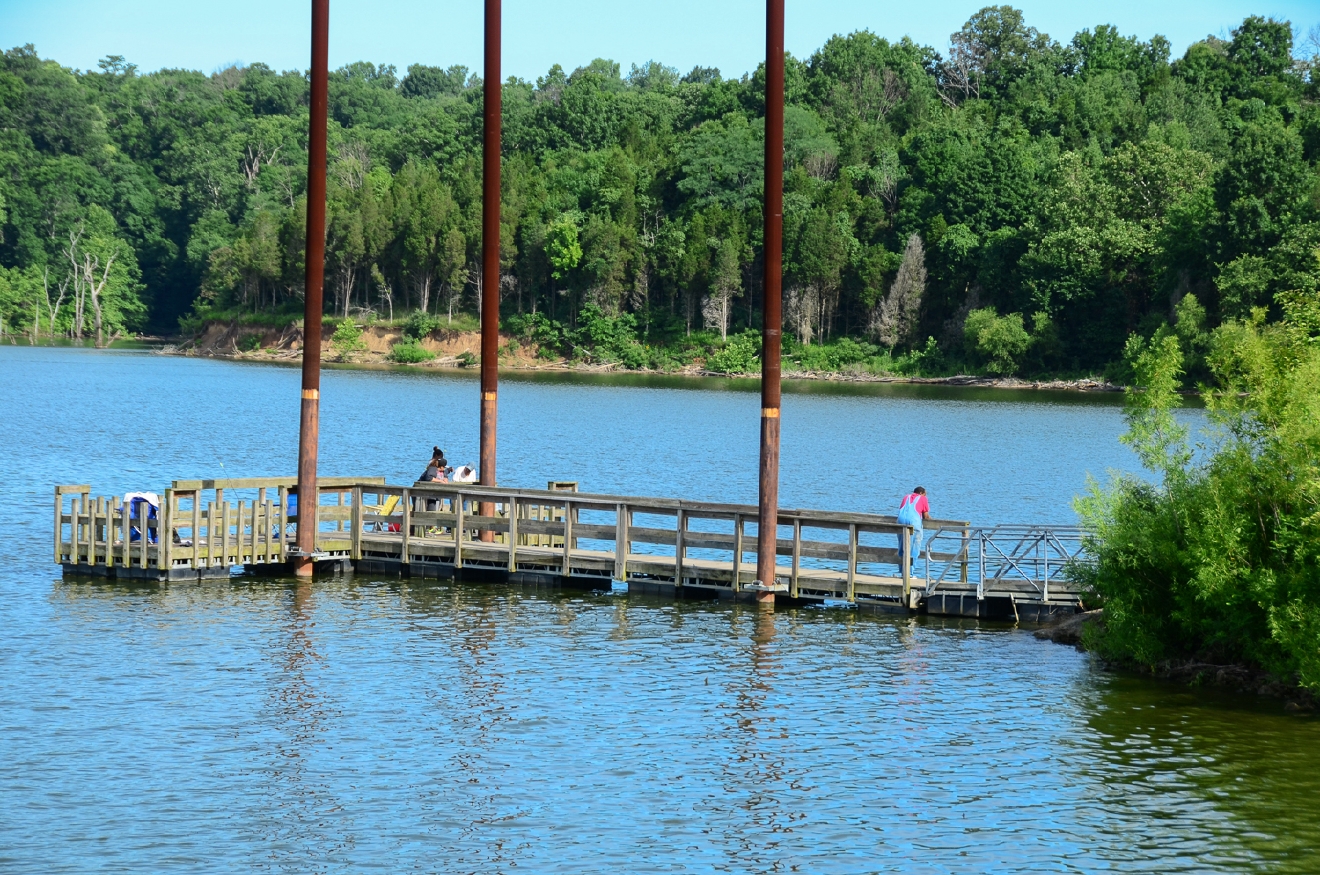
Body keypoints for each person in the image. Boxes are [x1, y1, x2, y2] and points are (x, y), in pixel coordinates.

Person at [897, 486, 930, 572]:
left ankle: (901, 572)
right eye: (925, 494)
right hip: (913, 522)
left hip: (900, 521)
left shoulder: (906, 497)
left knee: (902, 546)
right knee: (914, 548)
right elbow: (926, 516)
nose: (925, 496)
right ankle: (909, 573)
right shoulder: (923, 498)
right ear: (921, 493)